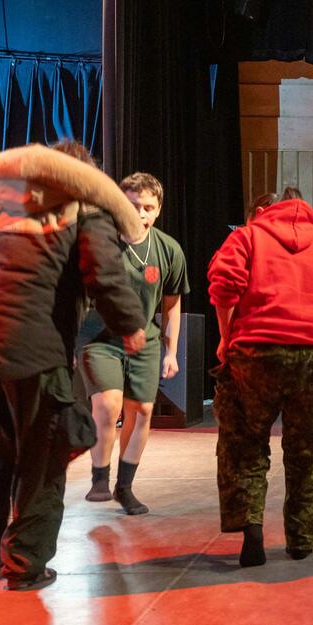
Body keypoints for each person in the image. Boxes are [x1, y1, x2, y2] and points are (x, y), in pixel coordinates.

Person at [0, 142, 145, 590]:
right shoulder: (82, 207)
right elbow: (103, 271)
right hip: (33, 351)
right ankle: (25, 563)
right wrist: (130, 324)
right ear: (83, 178)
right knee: (45, 456)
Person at [208, 187, 313, 567]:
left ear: (264, 212)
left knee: (244, 443)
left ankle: (252, 530)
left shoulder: (246, 238)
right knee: (308, 451)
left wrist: (227, 338)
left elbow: (224, 286)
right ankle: (301, 540)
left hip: (256, 352)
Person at [79, 172, 189, 515]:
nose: (139, 213)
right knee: (108, 405)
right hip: (100, 338)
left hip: (144, 340)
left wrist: (171, 351)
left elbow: (172, 304)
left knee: (141, 411)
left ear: (158, 210)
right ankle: (99, 477)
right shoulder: (100, 243)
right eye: (132, 206)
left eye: (147, 207)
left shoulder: (168, 249)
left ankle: (124, 487)